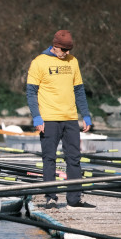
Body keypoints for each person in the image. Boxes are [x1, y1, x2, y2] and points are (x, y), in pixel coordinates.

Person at [26, 29, 95, 210]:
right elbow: (31, 92)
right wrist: (36, 117)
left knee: (74, 159)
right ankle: (50, 198)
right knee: (49, 159)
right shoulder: (39, 62)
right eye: (64, 50)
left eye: (69, 50)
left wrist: (86, 115)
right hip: (48, 119)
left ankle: (74, 199)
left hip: (70, 118)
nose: (67, 53)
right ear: (55, 47)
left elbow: (79, 90)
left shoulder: (73, 61)